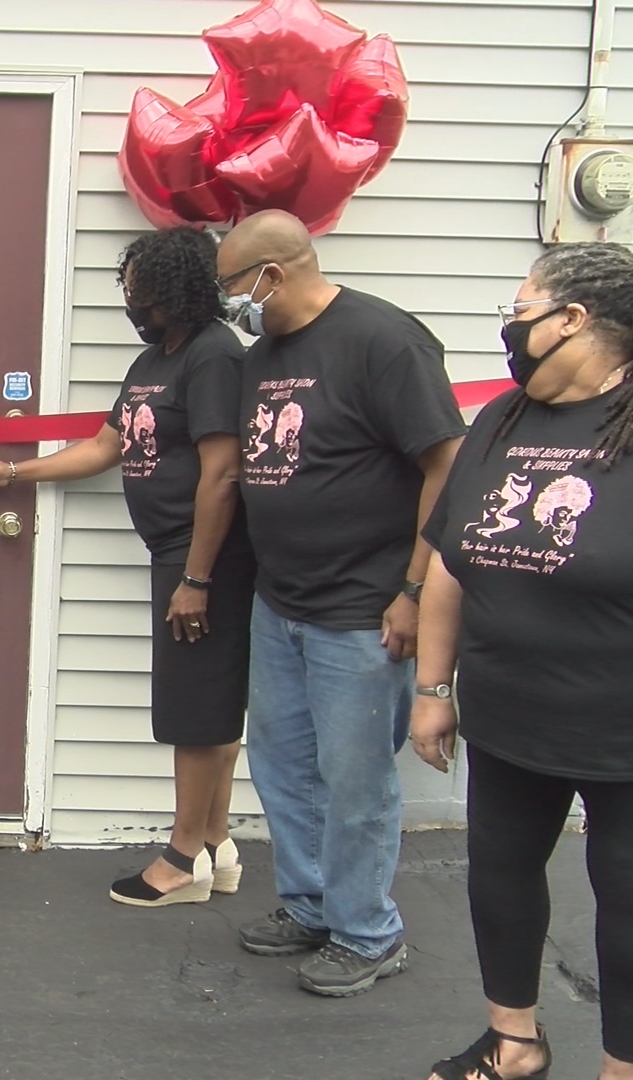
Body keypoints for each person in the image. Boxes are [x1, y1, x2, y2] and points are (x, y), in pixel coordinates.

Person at [412, 245, 633, 1080]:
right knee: (498, 876)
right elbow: (453, 563)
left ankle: (623, 1075)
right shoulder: (504, 418)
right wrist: (433, 687)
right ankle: (514, 1042)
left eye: (522, 306)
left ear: (571, 319)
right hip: (509, 717)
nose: (511, 323)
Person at [217, 210, 465, 997]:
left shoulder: (384, 341)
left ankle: (367, 931)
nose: (232, 302)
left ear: (274, 275)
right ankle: (312, 905)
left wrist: (414, 590)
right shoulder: (264, 356)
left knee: (355, 781)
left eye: (234, 287)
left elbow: (446, 464)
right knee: (285, 766)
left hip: (362, 609)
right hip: (280, 601)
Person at [0, 227, 253, 907]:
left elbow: (224, 471)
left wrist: (199, 578)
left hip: (204, 557)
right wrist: (14, 472)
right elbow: (104, 447)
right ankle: (216, 841)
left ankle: (182, 860)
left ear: (177, 286)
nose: (132, 301)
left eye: (140, 289)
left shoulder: (213, 357)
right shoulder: (155, 360)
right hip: (176, 554)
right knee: (208, 703)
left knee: (194, 712)